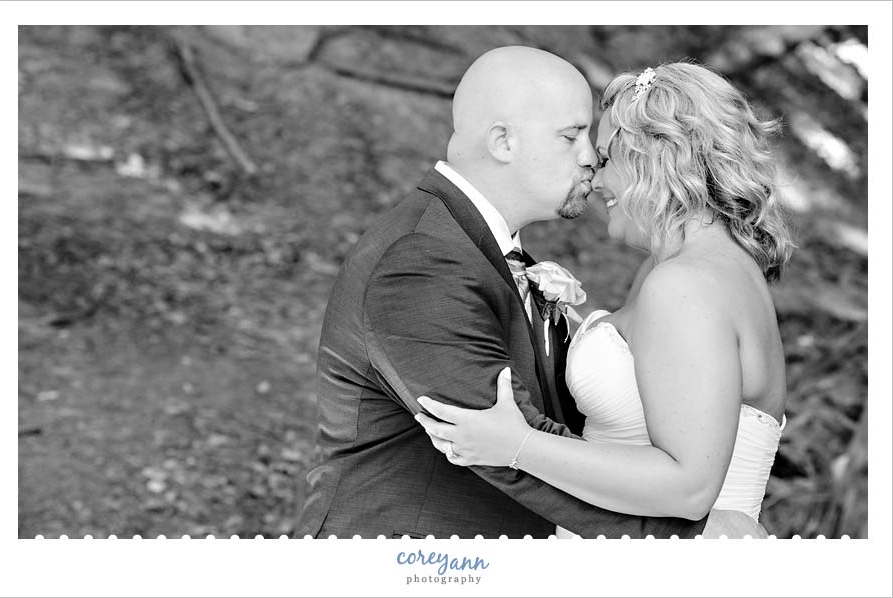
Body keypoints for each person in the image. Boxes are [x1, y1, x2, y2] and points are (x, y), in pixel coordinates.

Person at [295, 48, 706, 539]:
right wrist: (689, 538)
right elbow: (506, 448)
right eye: (571, 134)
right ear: (503, 141)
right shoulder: (420, 261)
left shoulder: (484, 253)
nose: (591, 155)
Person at [414, 62, 794, 538]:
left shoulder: (684, 284)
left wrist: (517, 444)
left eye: (609, 156)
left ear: (656, 158)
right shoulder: (703, 268)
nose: (594, 175)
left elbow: (689, 488)